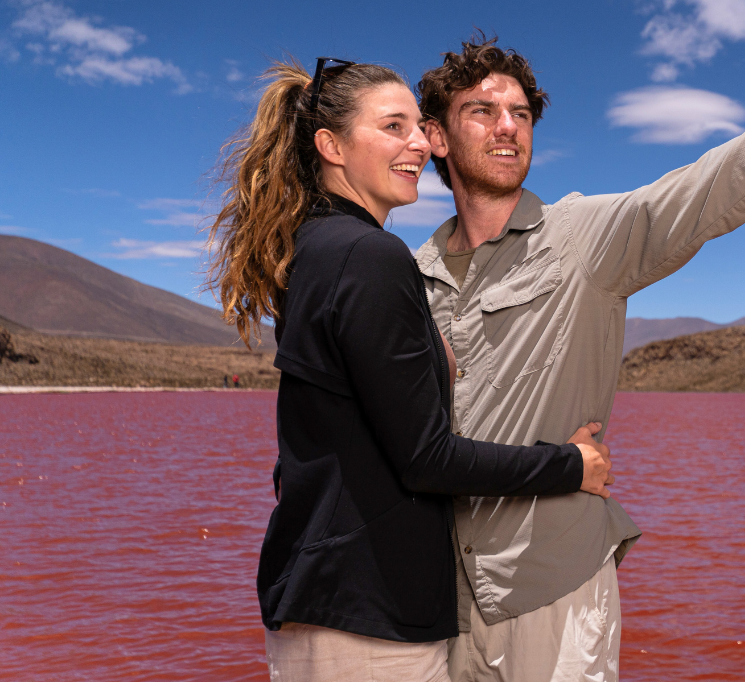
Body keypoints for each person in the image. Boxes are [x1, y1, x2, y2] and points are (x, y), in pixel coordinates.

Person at [414, 27, 745, 680]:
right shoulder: (408, 277)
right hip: (437, 601)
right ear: (435, 136)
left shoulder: (584, 238)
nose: (507, 128)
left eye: (520, 114)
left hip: (552, 590)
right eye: (482, 112)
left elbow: (706, 191)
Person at [205, 58, 618, 682]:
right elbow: (427, 459)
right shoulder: (371, 256)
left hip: (324, 599)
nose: (420, 143)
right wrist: (569, 466)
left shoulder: (313, 251)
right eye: (393, 127)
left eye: (417, 128)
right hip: (368, 614)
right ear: (331, 146)